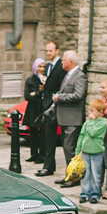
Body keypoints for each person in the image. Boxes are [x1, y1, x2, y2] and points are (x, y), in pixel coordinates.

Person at [53, 50, 88, 186]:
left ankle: (74, 177)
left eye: (63, 60)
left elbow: (78, 95)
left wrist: (59, 97)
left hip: (73, 118)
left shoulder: (80, 76)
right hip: (65, 118)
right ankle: (69, 173)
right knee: (66, 148)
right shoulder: (68, 75)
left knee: (70, 148)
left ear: (71, 62)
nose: (62, 62)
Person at [36, 40, 64, 177]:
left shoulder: (61, 66)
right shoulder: (47, 66)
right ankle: (48, 166)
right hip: (45, 105)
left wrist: (54, 103)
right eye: (46, 50)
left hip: (55, 106)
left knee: (52, 138)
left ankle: (48, 166)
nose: (48, 53)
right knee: (47, 137)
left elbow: (61, 87)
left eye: (50, 51)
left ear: (57, 51)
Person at [75, 99, 107, 204]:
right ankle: (85, 193)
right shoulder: (87, 122)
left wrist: (91, 122)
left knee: (95, 174)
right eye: (90, 111)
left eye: (93, 111)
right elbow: (82, 135)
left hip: (96, 152)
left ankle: (95, 194)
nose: (90, 113)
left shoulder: (103, 122)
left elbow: (93, 133)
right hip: (85, 151)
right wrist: (78, 150)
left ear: (100, 112)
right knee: (86, 174)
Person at [22, 58, 45, 163]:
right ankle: (33, 154)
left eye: (43, 66)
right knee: (33, 133)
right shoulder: (30, 80)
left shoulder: (46, 79)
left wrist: (35, 93)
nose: (41, 69)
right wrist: (37, 93)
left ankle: (42, 155)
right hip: (33, 110)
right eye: (39, 66)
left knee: (43, 134)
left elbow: (45, 94)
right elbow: (27, 96)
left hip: (42, 109)